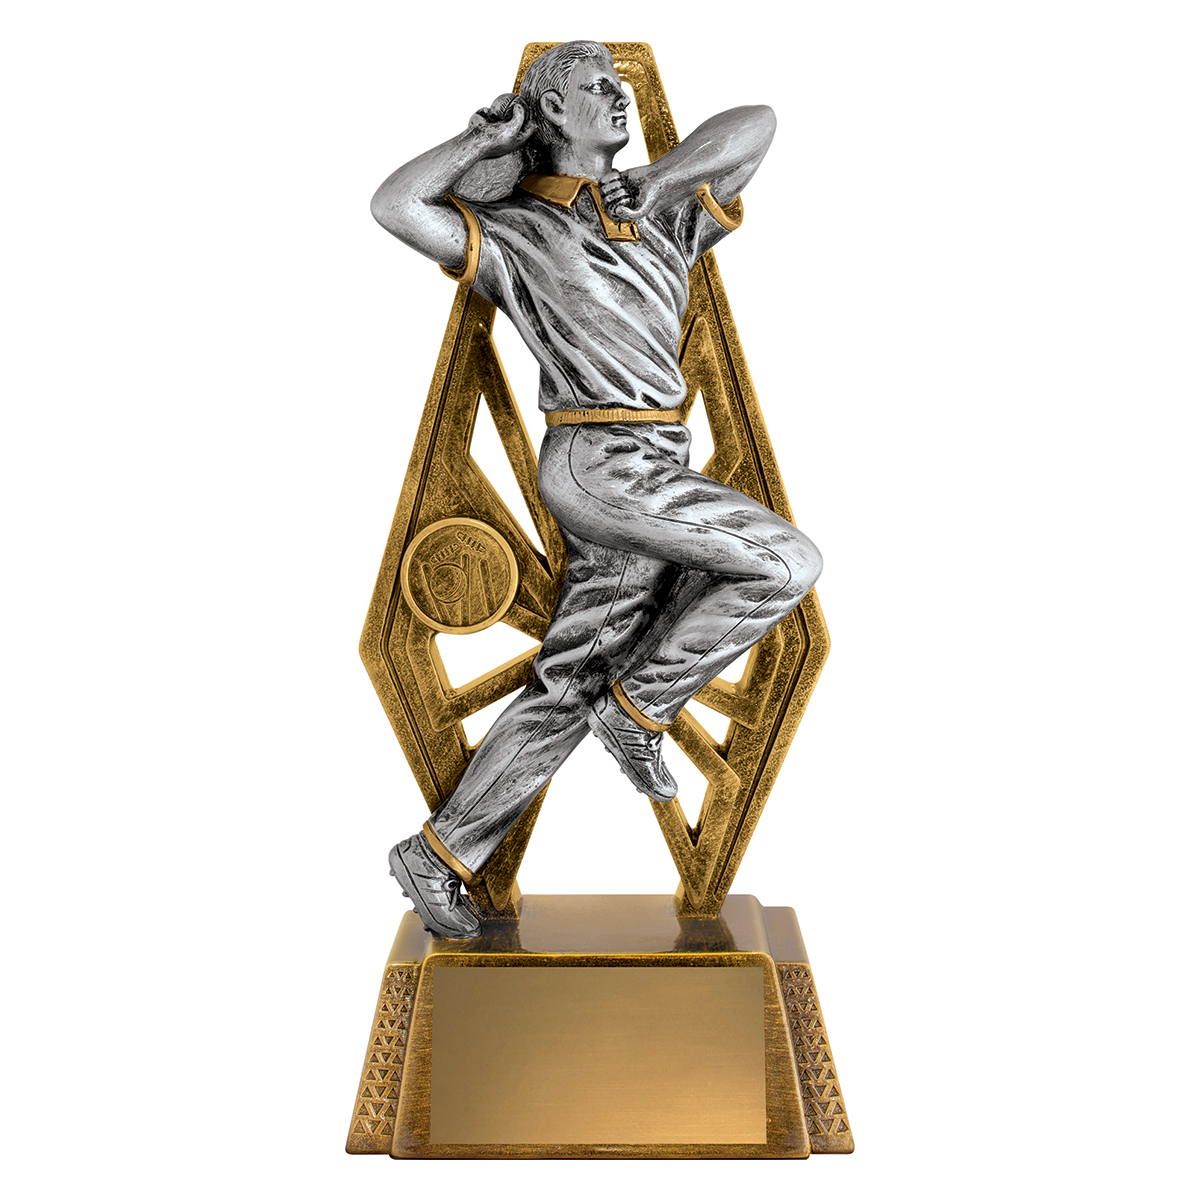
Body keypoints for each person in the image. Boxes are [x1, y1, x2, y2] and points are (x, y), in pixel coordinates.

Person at [371, 41, 821, 938]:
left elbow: (758, 125)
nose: (620, 97)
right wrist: (479, 141)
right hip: (599, 463)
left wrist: (657, 182)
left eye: (621, 84)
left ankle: (439, 851)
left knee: (567, 682)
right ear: (551, 111)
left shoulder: (666, 213)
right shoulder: (514, 233)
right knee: (786, 562)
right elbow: (396, 206)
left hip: (660, 463)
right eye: (596, 87)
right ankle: (644, 704)